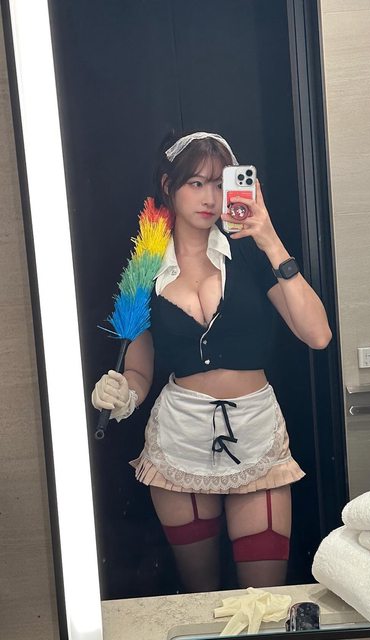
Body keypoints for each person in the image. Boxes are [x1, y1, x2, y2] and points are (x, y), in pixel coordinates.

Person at [91, 131, 332, 593]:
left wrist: (269, 238)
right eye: (196, 183)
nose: (210, 197)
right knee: (199, 594)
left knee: (263, 598)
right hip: (180, 435)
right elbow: (139, 370)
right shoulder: (144, 268)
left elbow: (317, 335)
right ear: (169, 186)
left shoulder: (250, 253)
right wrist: (123, 395)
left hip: (256, 430)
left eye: (221, 184)